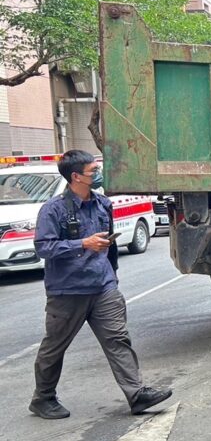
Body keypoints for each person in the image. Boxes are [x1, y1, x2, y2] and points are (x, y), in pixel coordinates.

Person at [28, 150, 172, 420]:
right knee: (54, 347)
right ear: (75, 177)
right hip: (67, 292)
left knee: (118, 339)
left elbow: (111, 244)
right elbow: (44, 248)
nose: (98, 174)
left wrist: (112, 275)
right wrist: (83, 243)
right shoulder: (53, 210)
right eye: (93, 171)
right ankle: (43, 398)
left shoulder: (103, 204)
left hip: (104, 287)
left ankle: (137, 394)